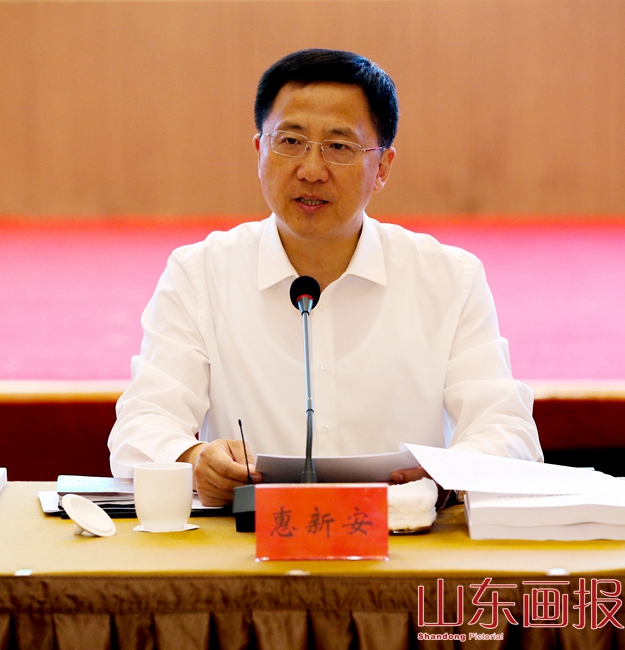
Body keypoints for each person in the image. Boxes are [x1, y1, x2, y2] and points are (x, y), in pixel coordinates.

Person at [108, 48, 542, 506]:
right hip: (252, 542)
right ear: (260, 151)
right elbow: (142, 425)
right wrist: (195, 459)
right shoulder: (200, 275)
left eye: (339, 147)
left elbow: (507, 430)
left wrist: (449, 473)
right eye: (290, 141)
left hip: (407, 536)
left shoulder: (448, 279)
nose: (311, 171)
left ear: (383, 167)